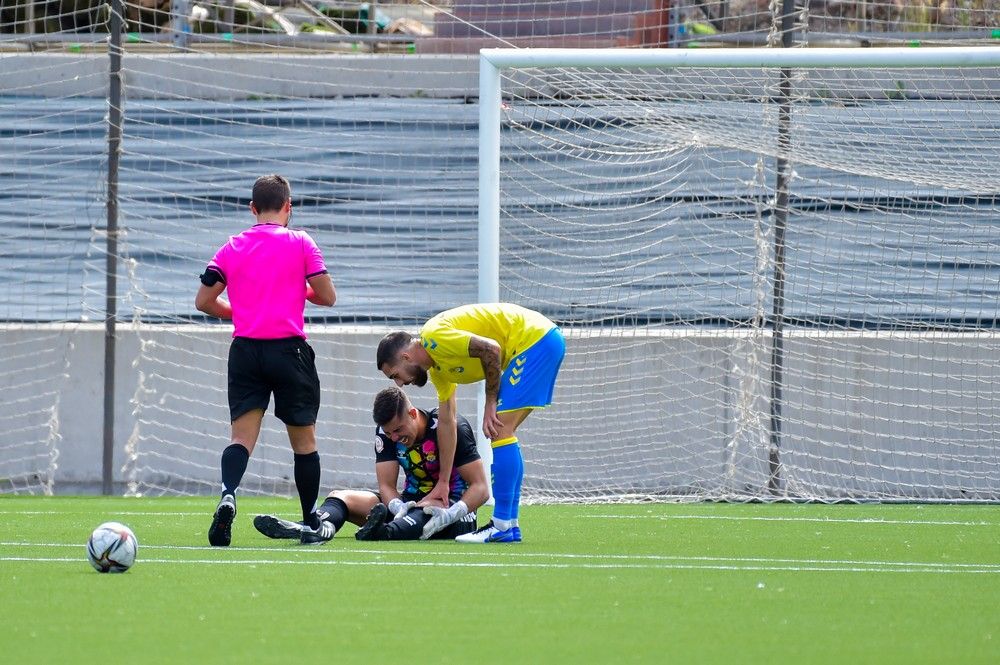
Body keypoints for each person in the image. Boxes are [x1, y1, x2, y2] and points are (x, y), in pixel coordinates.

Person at [195, 174, 336, 547]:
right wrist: (294, 289)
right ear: (289, 207)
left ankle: (228, 494)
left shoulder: (232, 246)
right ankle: (309, 522)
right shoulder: (300, 241)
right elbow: (327, 295)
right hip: (289, 351)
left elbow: (203, 302)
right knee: (304, 443)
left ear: (252, 209)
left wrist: (239, 311)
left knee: (240, 439)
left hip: (245, 351)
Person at [376, 303, 565, 543]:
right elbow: (447, 421)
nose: (400, 384)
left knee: (499, 429)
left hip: (534, 341)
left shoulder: (434, 336)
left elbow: (491, 350)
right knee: (504, 432)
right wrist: (443, 483)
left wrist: (490, 403)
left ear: (405, 357)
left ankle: (502, 526)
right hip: (540, 342)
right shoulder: (439, 371)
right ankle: (509, 525)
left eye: (395, 375)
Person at [252, 386, 489, 543]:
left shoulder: (451, 428)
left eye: (398, 430)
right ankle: (316, 527)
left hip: (452, 512)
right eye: (389, 432)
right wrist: (397, 506)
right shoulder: (385, 434)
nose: (394, 438)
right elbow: (386, 485)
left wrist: (451, 513)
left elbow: (480, 488)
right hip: (409, 506)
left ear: (413, 414)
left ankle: (382, 533)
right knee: (341, 496)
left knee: (422, 512)